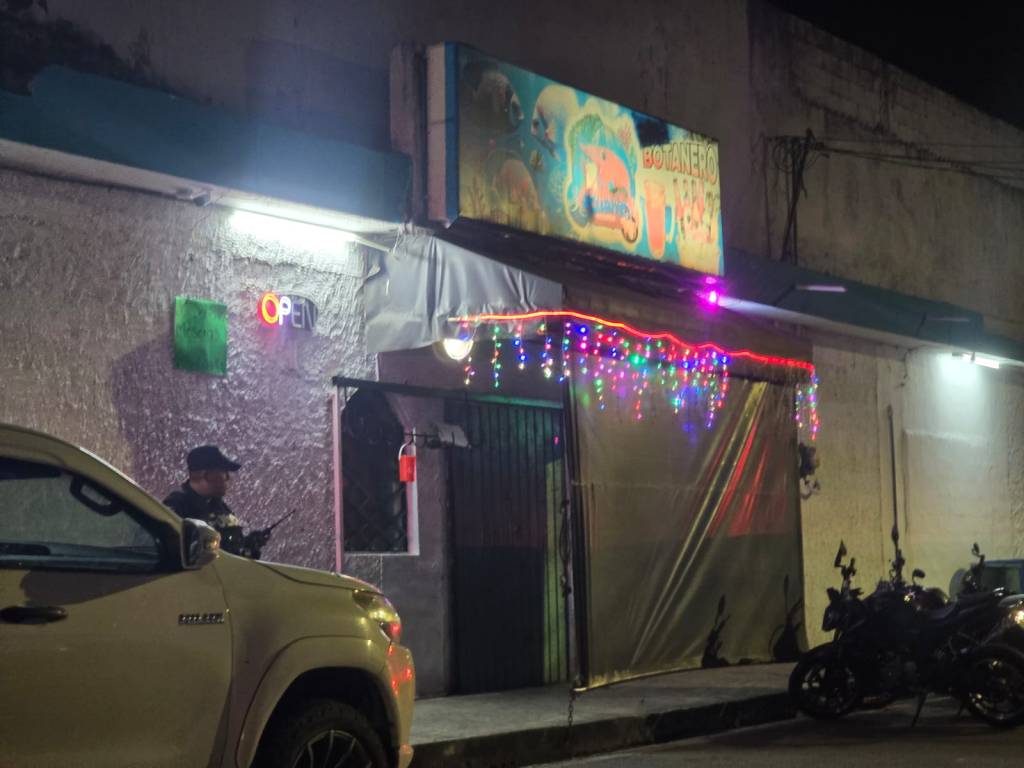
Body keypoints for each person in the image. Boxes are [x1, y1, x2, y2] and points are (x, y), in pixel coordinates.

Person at [164, 445, 251, 555]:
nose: (228, 478)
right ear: (207, 476)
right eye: (224, 473)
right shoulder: (177, 506)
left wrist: (247, 546)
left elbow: (229, 544)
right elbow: (178, 553)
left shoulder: (218, 505)